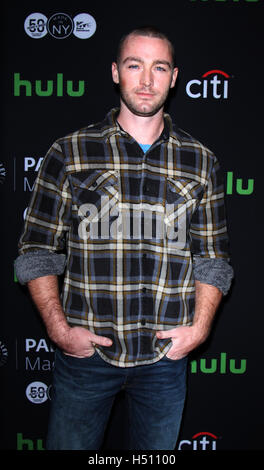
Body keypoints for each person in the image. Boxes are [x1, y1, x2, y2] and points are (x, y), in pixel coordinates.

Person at [15, 26, 233, 450]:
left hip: (164, 359)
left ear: (174, 78)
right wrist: (60, 331)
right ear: (116, 72)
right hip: (86, 356)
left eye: (159, 67)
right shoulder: (70, 151)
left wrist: (199, 329)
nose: (147, 80)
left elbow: (213, 258)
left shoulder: (200, 160)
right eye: (135, 65)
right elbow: (37, 251)